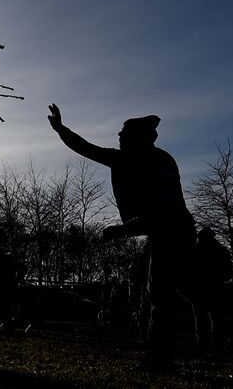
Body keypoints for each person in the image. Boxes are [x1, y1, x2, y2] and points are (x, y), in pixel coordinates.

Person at [48, 103, 195, 370]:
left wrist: (124, 230)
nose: (118, 136)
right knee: (163, 295)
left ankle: (159, 359)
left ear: (139, 138)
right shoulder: (133, 159)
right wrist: (60, 128)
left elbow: (165, 210)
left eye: (124, 134)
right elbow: (86, 148)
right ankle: (160, 355)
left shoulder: (156, 162)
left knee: (162, 297)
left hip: (172, 232)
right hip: (164, 233)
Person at [191, 226, 233, 349]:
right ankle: (217, 342)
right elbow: (231, 271)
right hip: (216, 288)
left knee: (200, 318)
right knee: (216, 317)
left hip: (199, 289)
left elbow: (189, 271)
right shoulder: (222, 251)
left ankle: (202, 343)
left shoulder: (195, 250)